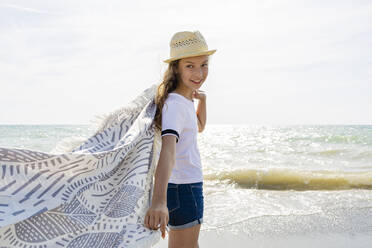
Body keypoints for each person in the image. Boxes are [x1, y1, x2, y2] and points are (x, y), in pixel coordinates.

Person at [144, 30, 216, 248]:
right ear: (176, 67)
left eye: (204, 64)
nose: (199, 72)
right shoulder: (175, 104)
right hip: (185, 189)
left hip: (181, 187)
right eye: (190, 65)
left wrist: (201, 100)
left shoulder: (183, 100)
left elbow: (199, 127)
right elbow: (168, 150)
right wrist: (158, 201)